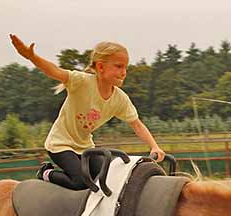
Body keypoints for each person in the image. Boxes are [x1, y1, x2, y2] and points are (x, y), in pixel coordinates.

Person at [9, 34, 165, 190]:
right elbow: (54, 71)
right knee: (82, 182)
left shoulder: (120, 99)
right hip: (60, 144)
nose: (124, 72)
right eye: (118, 66)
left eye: (126, 67)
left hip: (85, 146)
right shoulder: (81, 82)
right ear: (100, 67)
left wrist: (154, 146)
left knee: (107, 179)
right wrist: (32, 57)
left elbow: (137, 125)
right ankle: (46, 173)